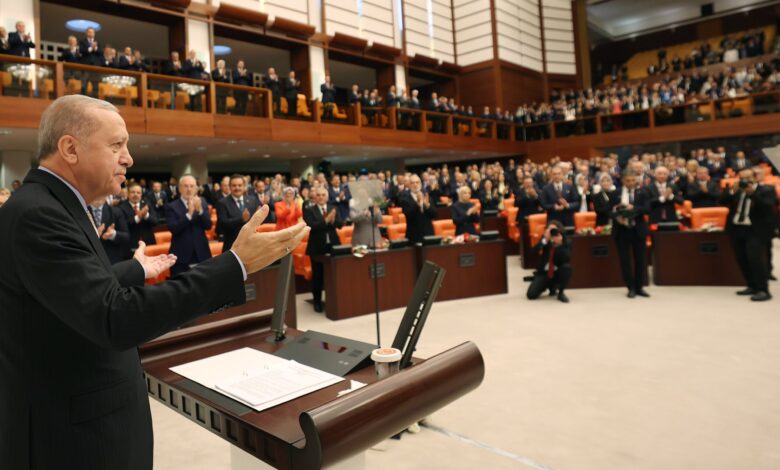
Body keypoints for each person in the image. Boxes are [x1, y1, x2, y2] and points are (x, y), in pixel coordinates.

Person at [0, 95, 308, 469]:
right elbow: (115, 317)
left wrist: (134, 270)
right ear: (70, 148)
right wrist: (234, 265)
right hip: (74, 440)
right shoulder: (39, 214)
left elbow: (71, 291)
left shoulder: (50, 204)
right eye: (117, 145)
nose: (128, 158)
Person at [721, 168, 776, 301]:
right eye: (742, 178)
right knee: (742, 258)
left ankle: (763, 290)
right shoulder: (737, 190)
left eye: (748, 178)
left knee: (755, 259)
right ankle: (752, 285)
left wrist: (752, 193)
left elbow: (768, 207)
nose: (745, 181)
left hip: (755, 230)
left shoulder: (766, 190)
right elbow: (722, 201)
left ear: (755, 177)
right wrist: (731, 191)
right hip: (737, 228)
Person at [609, 170, 651, 298]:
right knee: (625, 261)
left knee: (641, 260)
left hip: (638, 230)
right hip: (621, 230)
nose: (631, 183)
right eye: (628, 180)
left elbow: (648, 209)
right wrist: (617, 218)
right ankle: (630, 287)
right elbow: (608, 210)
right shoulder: (615, 193)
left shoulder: (642, 192)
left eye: (633, 180)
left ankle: (639, 287)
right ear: (623, 181)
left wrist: (634, 208)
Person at [303, 187, 342, 313]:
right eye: (318, 195)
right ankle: (317, 302)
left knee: (335, 275)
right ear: (315, 197)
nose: (320, 197)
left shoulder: (333, 208)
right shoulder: (309, 210)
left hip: (333, 246)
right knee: (318, 276)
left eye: (323, 195)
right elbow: (312, 226)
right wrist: (326, 220)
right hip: (317, 247)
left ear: (327, 196)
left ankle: (336, 301)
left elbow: (340, 225)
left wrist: (333, 220)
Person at [165, 175, 213, 276]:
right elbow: (173, 229)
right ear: (179, 189)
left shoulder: (202, 202)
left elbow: (208, 225)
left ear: (196, 188)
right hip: (181, 255)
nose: (189, 189)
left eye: (192, 186)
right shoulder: (171, 206)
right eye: (186, 186)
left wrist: (200, 211)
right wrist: (189, 215)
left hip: (202, 253)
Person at [526, 220, 571, 303]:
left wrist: (559, 244)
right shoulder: (544, 239)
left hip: (557, 271)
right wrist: (544, 241)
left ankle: (561, 293)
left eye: (554, 230)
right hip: (544, 272)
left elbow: (567, 258)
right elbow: (533, 252)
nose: (552, 232)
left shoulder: (565, 241)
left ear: (559, 230)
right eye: (550, 229)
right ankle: (548, 286)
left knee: (567, 267)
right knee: (531, 295)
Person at [217, 174, 260, 252]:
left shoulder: (252, 200)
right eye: (234, 185)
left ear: (244, 187)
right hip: (232, 246)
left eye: (240, 185)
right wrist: (241, 219)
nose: (237, 188)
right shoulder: (222, 203)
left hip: (251, 244)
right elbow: (222, 225)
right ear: (230, 187)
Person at [119, 182, 158, 259]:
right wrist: (138, 217)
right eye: (133, 192)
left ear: (141, 194)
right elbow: (123, 226)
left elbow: (155, 221)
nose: (136, 194)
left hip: (148, 244)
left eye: (138, 192)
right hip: (130, 246)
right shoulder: (121, 207)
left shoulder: (147, 205)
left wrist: (146, 215)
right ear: (128, 194)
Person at [88, 197, 130, 264]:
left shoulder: (116, 211)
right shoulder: (81, 211)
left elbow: (126, 236)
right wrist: (94, 235)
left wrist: (113, 234)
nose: (98, 196)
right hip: (89, 258)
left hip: (111, 259)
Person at [400, 175, 436, 244]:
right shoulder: (405, 199)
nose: (415, 184)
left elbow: (434, 215)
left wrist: (427, 206)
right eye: (412, 183)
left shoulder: (427, 196)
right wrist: (417, 204)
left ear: (421, 184)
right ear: (409, 185)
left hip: (428, 233)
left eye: (417, 182)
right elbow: (408, 215)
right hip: (414, 235)